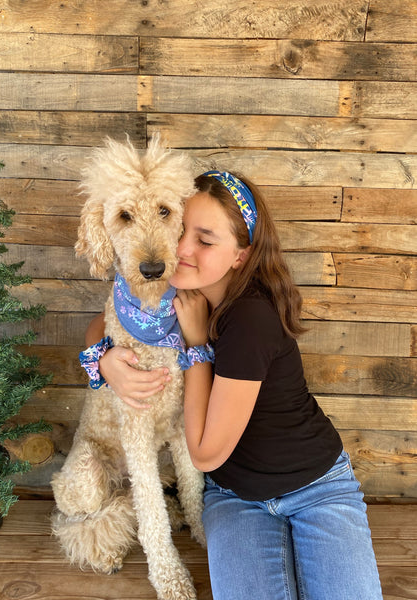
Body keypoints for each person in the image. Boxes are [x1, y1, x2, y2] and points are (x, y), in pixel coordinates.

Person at [84, 171, 383, 600]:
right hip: (235, 496)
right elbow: (104, 321)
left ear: (240, 255)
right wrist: (105, 362)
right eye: (181, 229)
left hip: (314, 487)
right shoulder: (173, 288)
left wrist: (196, 344)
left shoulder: (249, 318)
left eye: (205, 241)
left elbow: (204, 454)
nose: (182, 249)